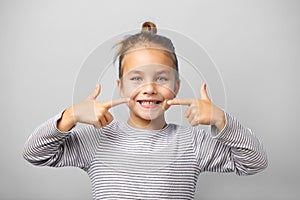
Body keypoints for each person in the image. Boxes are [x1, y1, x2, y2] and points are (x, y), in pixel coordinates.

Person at [23, 21, 268, 199]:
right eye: (136, 79)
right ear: (119, 87)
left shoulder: (193, 142)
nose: (149, 88)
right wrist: (71, 115)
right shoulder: (98, 140)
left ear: (177, 85)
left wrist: (220, 119)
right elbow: (35, 154)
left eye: (161, 78)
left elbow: (254, 162)